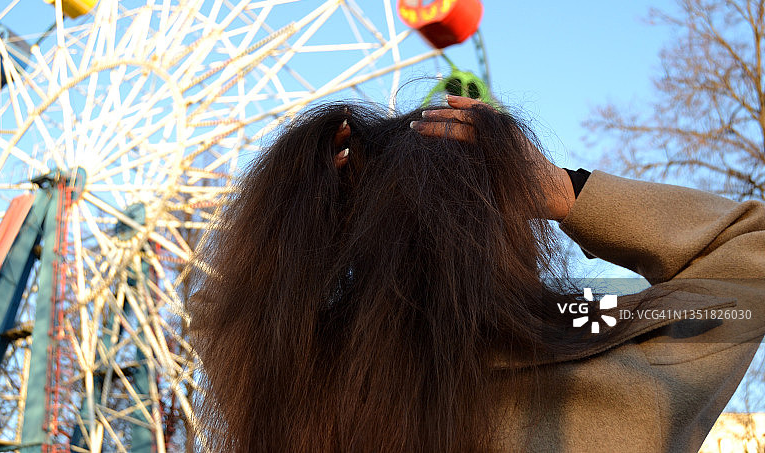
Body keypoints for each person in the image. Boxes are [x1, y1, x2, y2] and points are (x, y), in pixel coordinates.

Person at [186, 95, 765, 452]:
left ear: (359, 231)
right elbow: (750, 256)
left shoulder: (300, 389)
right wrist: (566, 192)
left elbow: (227, 314)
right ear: (512, 222)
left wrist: (306, 198)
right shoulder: (612, 356)